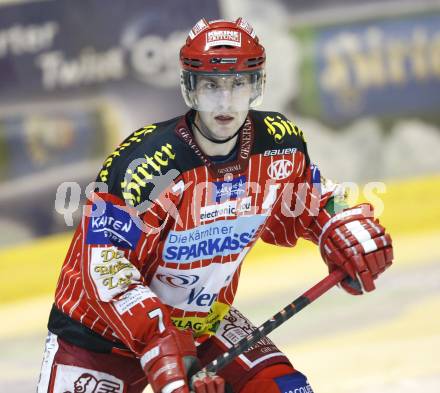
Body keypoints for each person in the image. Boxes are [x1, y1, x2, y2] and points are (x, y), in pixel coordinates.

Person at [37, 17, 393, 393]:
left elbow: (314, 199)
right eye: (211, 85)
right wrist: (161, 347)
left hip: (202, 325)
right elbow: (104, 266)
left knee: (286, 389)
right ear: (189, 87)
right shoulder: (146, 164)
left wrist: (343, 227)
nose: (225, 101)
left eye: (238, 84)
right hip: (103, 338)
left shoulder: (278, 145)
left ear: (257, 85)